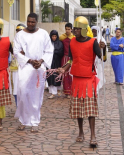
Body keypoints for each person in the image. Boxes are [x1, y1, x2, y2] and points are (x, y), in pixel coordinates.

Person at [57, 16, 104, 148]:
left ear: (83, 29)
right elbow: (71, 60)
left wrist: (103, 48)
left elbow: (103, 58)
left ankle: (93, 135)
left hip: (89, 79)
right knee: (78, 109)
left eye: (77, 29)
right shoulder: (72, 42)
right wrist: (63, 69)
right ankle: (81, 132)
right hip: (76, 80)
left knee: (90, 110)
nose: (75, 31)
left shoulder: (93, 42)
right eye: (74, 29)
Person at [13, 13, 53, 132]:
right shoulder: (20, 35)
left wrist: (40, 61)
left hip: (39, 69)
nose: (30, 24)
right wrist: (29, 60)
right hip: (25, 67)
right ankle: (23, 120)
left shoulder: (43, 34)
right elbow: (16, 52)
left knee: (36, 96)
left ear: (37, 22)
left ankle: (35, 121)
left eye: (33, 22)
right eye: (29, 21)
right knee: (23, 93)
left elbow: (49, 50)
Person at [9, 23, 26, 106]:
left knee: (24, 88)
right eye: (17, 31)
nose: (18, 33)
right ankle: (18, 106)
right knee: (15, 88)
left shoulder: (28, 42)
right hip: (15, 69)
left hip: (25, 69)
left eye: (21, 31)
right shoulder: (12, 43)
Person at [47, 30, 64, 99]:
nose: (54, 38)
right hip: (49, 62)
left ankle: (59, 90)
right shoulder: (48, 43)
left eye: (55, 36)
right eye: (52, 36)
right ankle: (53, 92)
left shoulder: (60, 43)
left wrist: (54, 52)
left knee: (57, 76)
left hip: (57, 62)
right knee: (50, 76)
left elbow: (61, 52)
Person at [59, 23, 74, 98]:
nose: (67, 31)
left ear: (71, 29)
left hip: (72, 58)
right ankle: (66, 92)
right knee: (64, 74)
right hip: (64, 58)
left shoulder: (74, 38)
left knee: (71, 75)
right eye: (66, 29)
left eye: (69, 29)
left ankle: (72, 91)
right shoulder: (62, 37)